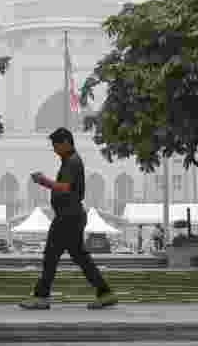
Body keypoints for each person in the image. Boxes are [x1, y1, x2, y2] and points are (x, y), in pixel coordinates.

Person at [19, 127, 118, 310]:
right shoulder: (70, 161)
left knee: (51, 255)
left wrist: (43, 181)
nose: (54, 150)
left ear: (65, 143)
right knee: (80, 257)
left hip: (68, 216)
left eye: (56, 145)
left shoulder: (72, 162)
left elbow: (65, 187)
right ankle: (105, 293)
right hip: (71, 215)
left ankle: (41, 297)